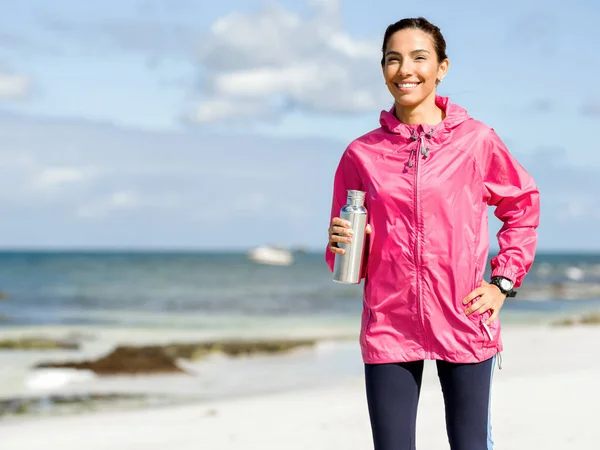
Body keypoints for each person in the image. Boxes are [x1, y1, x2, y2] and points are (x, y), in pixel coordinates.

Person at [325, 17, 540, 450]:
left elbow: (522, 205)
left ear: (441, 67)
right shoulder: (361, 154)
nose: (405, 69)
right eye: (393, 59)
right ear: (383, 69)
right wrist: (343, 243)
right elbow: (345, 259)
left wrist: (502, 282)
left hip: (463, 316)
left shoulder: (476, 141)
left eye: (419, 58)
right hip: (389, 322)